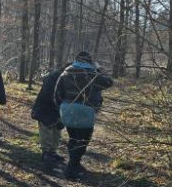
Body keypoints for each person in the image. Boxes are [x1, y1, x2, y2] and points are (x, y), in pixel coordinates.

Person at [54, 51, 114, 179]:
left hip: (67, 108)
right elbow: (109, 82)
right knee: (83, 140)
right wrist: (99, 69)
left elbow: (57, 93)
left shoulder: (66, 73)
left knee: (73, 138)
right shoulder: (92, 74)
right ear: (90, 61)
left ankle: (75, 165)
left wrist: (61, 107)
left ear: (76, 59)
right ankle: (71, 167)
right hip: (86, 110)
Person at [32, 64, 69, 165]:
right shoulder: (54, 78)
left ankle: (53, 152)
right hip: (45, 108)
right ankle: (46, 153)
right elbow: (51, 95)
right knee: (47, 130)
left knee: (56, 131)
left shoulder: (63, 78)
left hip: (56, 109)